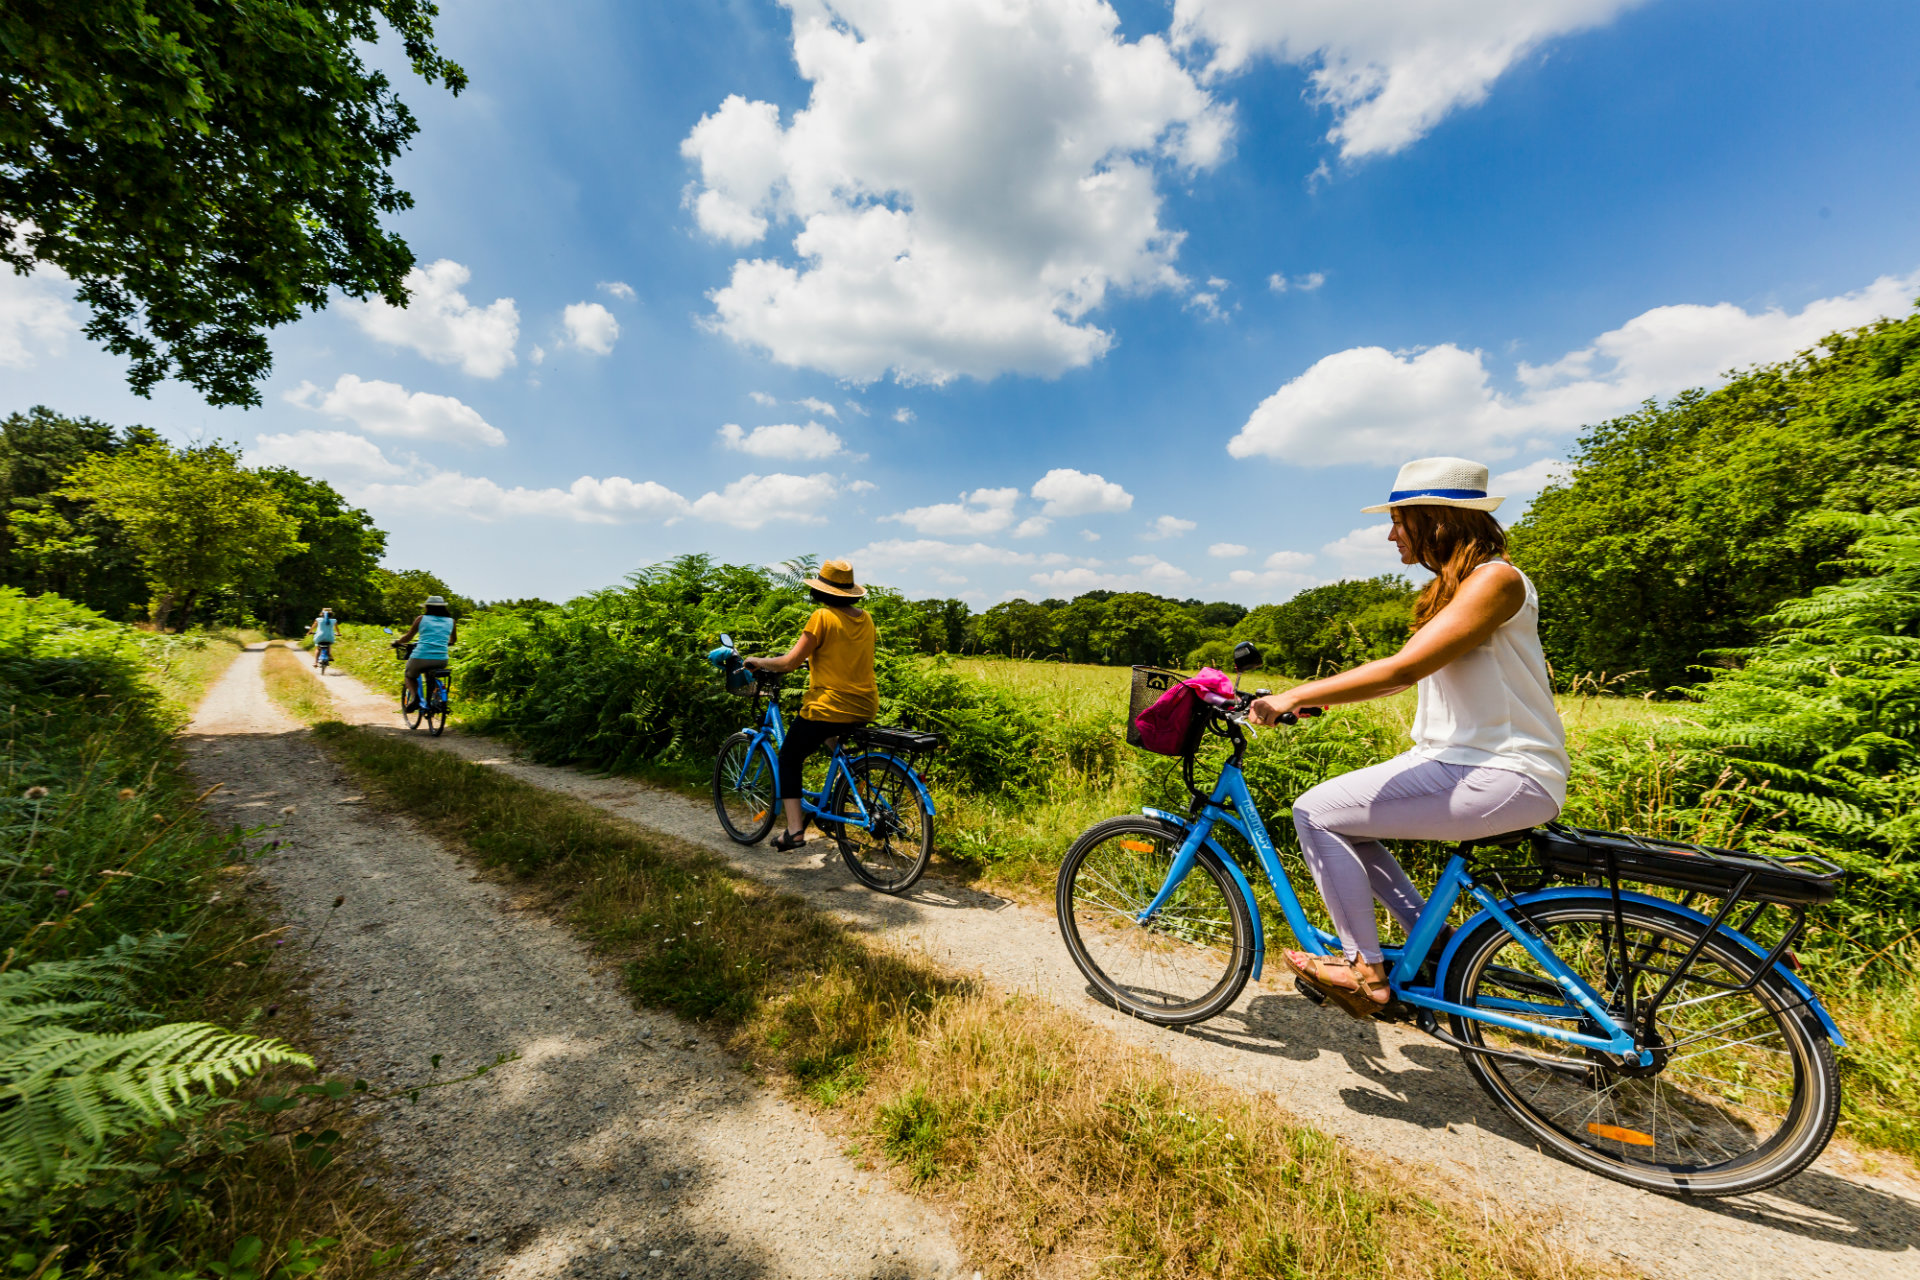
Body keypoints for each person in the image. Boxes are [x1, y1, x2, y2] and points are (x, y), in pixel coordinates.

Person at [1248, 457, 1569, 1019]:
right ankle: (1433, 947)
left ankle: (1362, 971)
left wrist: (1296, 694)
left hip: (1496, 769)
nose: (1390, 533)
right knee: (1351, 823)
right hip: (1477, 766)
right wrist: (1326, 695)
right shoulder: (1466, 585)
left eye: (1400, 520)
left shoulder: (1495, 579)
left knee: (1316, 812)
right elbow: (1413, 674)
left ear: (1436, 520)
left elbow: (1403, 669)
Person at [743, 559, 879, 852]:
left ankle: (793, 832)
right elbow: (843, 655)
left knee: (789, 757)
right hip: (865, 704)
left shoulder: (822, 617)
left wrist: (758, 662)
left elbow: (790, 662)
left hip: (831, 706)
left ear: (822, 591)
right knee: (830, 739)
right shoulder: (865, 618)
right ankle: (844, 791)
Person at [394, 595, 458, 711]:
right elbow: (453, 640)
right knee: (431, 676)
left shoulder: (421, 619)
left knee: (409, 675)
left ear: (427, 607)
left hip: (420, 657)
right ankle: (436, 699)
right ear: (443, 608)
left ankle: (415, 698)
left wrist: (397, 642)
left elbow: (408, 637)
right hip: (441, 659)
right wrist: (446, 642)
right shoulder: (451, 621)